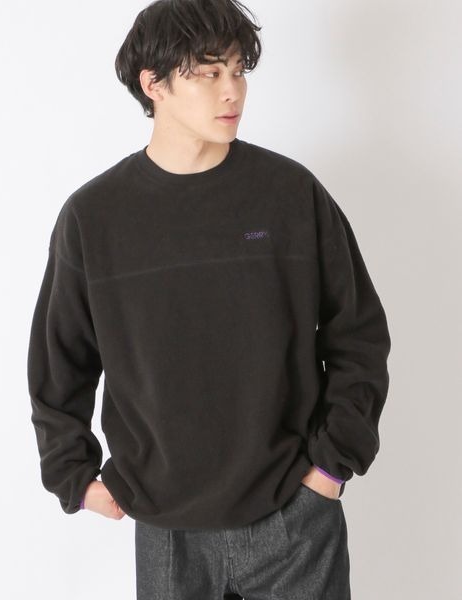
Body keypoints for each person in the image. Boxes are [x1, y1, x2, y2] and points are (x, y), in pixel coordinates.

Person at [27, 0, 391, 598]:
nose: (233, 91)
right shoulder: (95, 218)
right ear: (154, 84)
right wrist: (72, 474)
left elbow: (359, 335)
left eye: (239, 70)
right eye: (209, 71)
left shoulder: (291, 195)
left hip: (294, 522)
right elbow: (59, 360)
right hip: (166, 530)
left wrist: (331, 466)